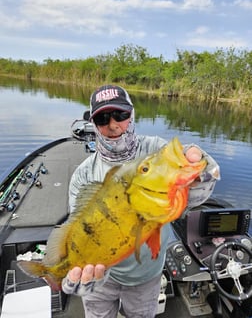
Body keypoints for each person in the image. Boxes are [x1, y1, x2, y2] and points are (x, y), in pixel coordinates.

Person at [62, 84, 220, 318]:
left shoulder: (154, 150)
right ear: (94, 125)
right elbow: (79, 231)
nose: (113, 124)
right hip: (101, 276)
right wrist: (74, 271)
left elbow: (199, 185)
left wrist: (200, 165)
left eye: (121, 115)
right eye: (103, 118)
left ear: (132, 115)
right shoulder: (83, 175)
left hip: (147, 277)